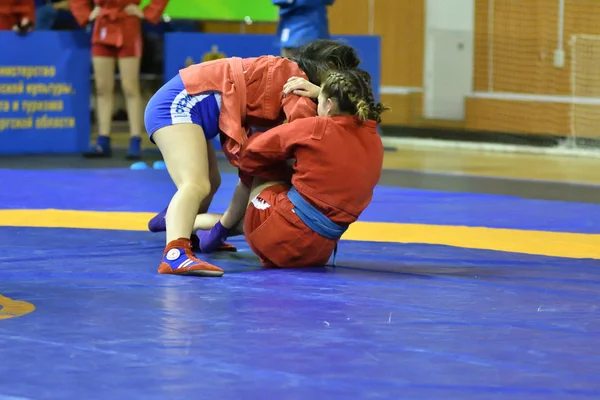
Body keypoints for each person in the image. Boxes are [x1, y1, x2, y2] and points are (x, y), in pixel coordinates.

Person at [143, 40, 361, 277]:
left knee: (210, 183)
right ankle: (175, 254)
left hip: (188, 103)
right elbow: (304, 142)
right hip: (178, 103)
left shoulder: (291, 76)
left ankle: (175, 222)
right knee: (195, 184)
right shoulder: (297, 88)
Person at [199, 69, 388, 268]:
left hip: (277, 240)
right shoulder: (375, 140)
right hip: (318, 253)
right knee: (302, 178)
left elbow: (251, 154)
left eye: (320, 100)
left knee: (263, 163)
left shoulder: (316, 127)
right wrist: (320, 93)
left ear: (330, 106)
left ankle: (219, 230)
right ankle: (217, 229)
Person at [70, 0, 168, 160]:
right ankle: (103, 140)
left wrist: (147, 12)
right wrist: (86, 14)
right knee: (102, 88)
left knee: (130, 86)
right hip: (102, 25)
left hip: (128, 26)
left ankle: (135, 140)